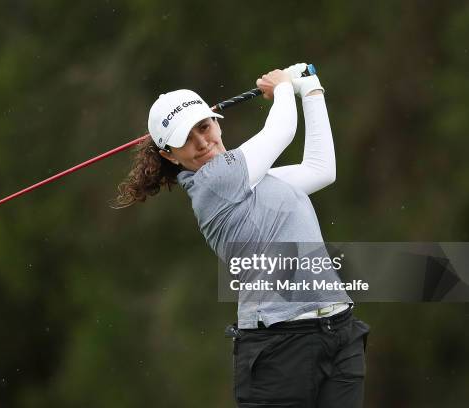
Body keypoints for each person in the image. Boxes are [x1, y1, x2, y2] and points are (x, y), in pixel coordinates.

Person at [113, 63, 370, 407]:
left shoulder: (252, 180)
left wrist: (310, 88)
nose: (202, 142)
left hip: (338, 330)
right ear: (168, 155)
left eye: (204, 127)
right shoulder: (214, 184)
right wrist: (281, 87)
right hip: (279, 345)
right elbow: (281, 132)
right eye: (186, 139)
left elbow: (321, 170)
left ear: (216, 121)